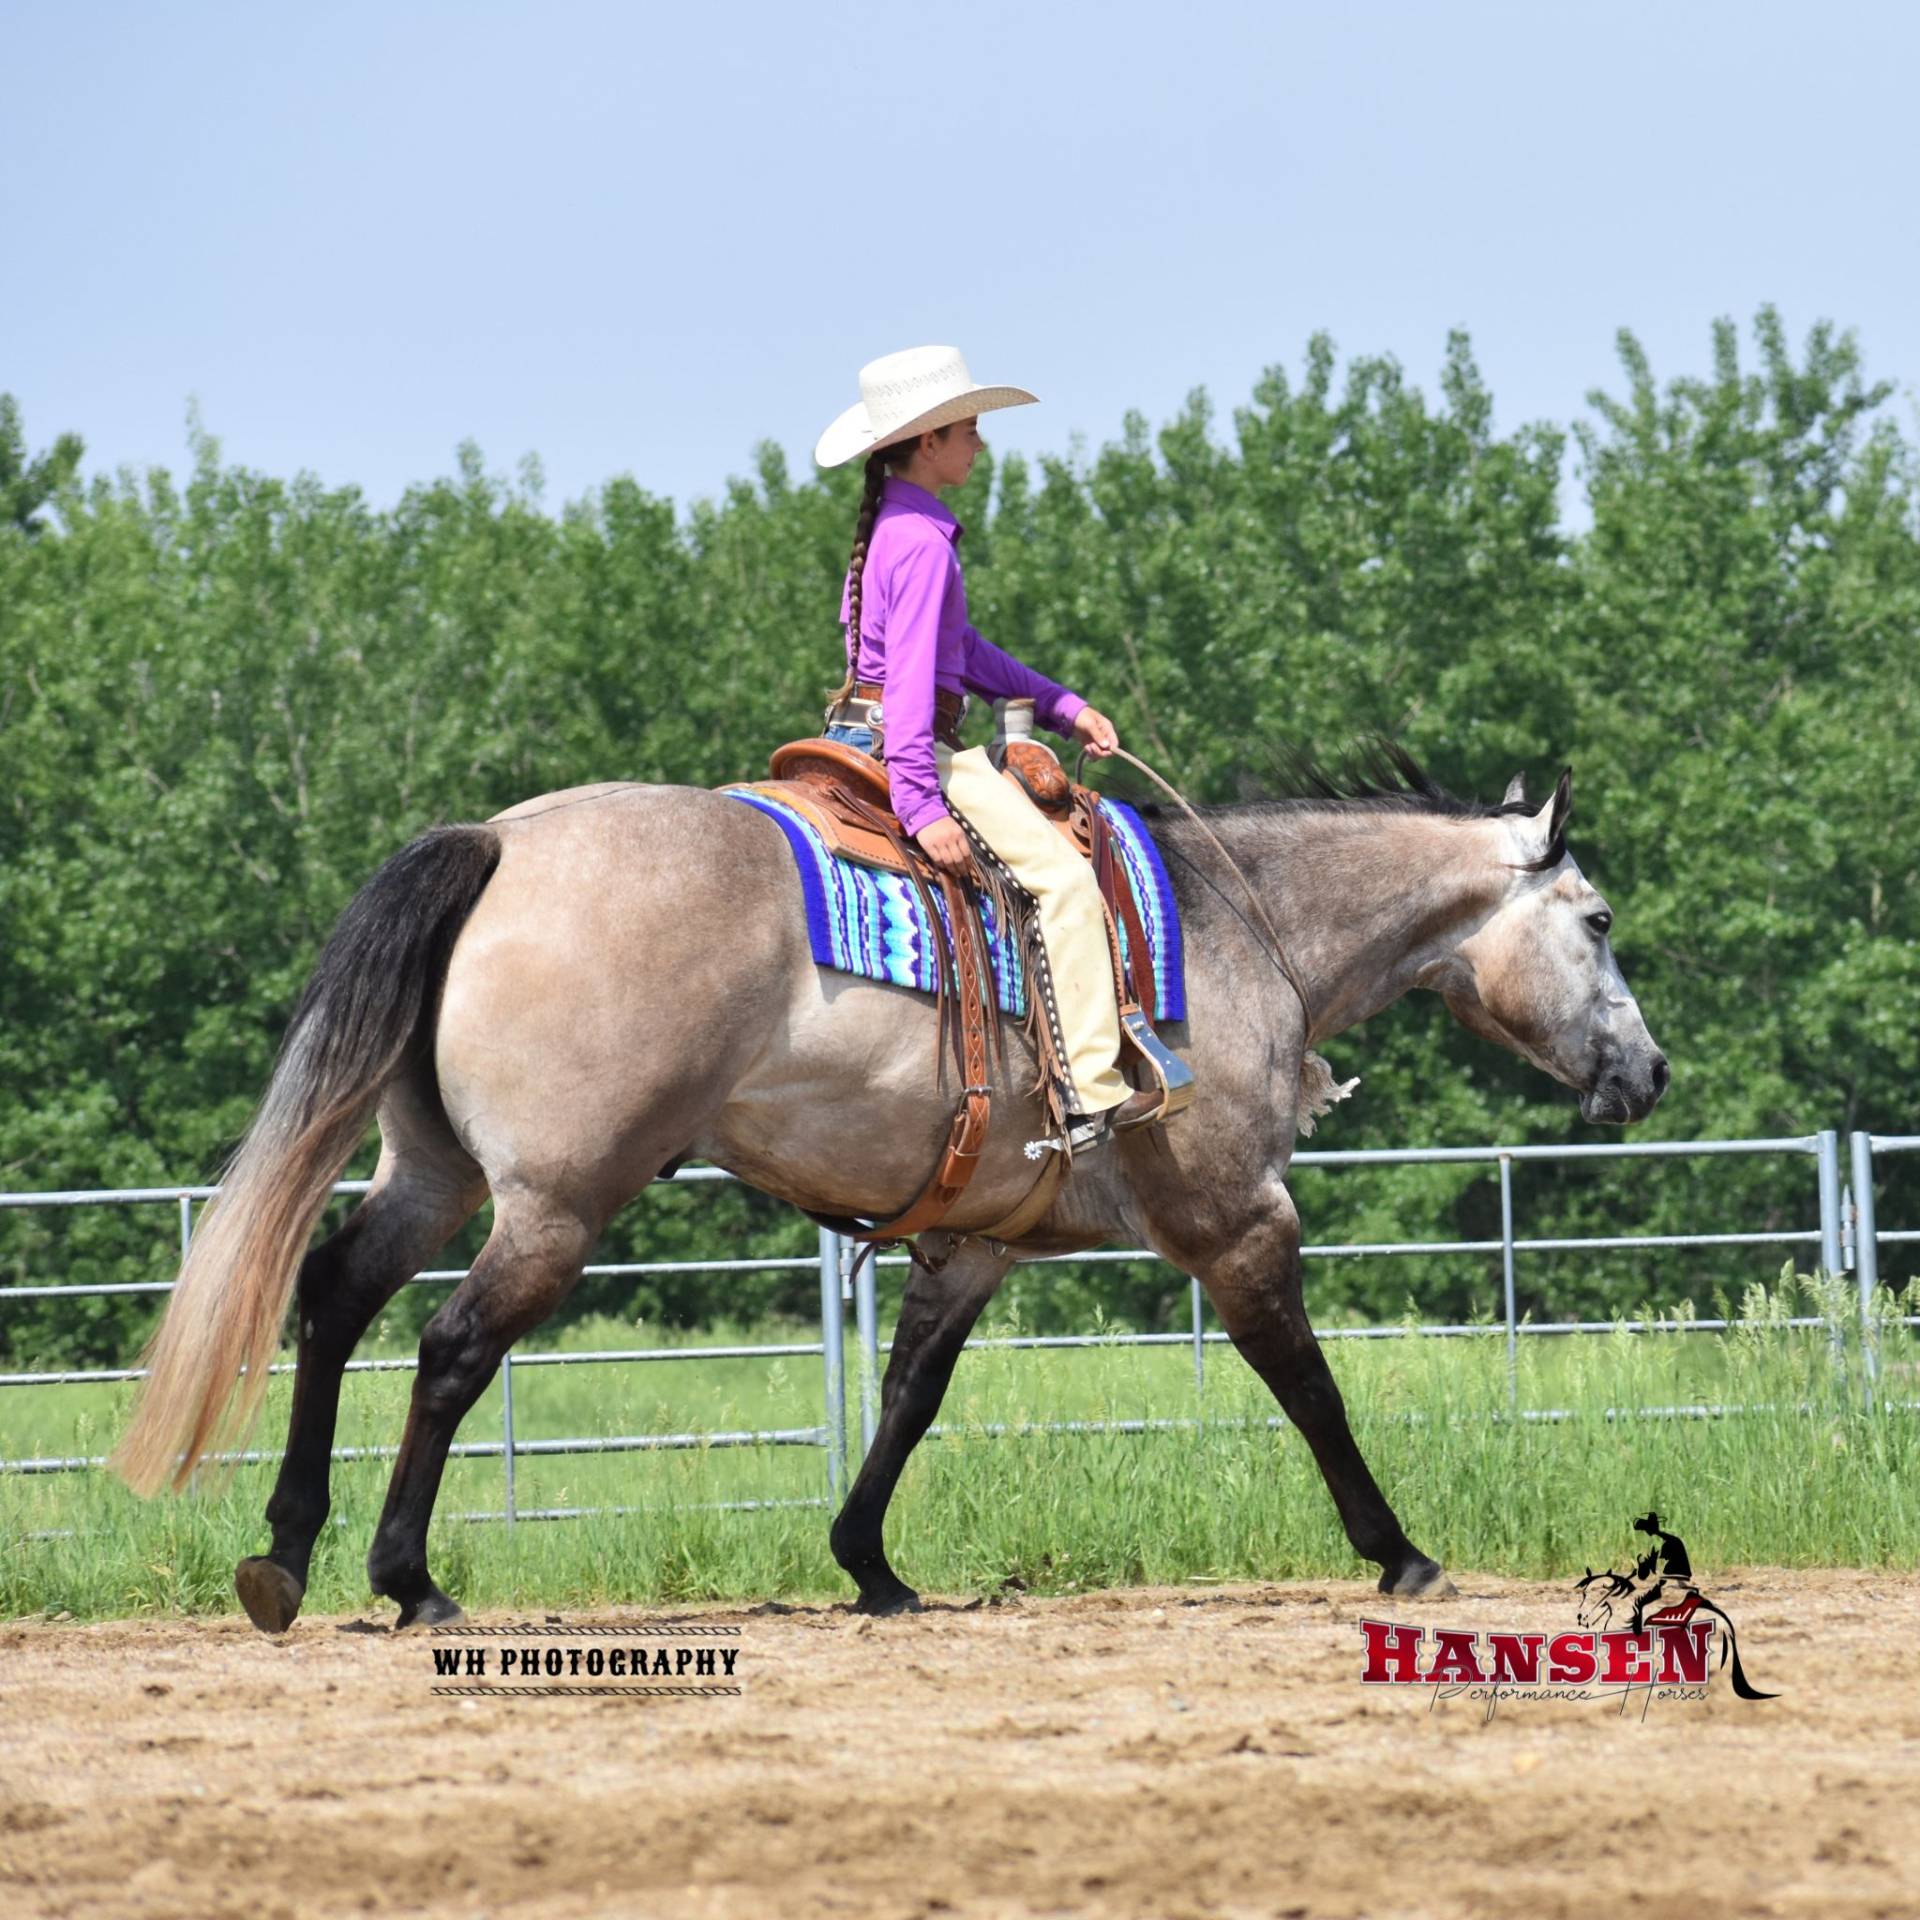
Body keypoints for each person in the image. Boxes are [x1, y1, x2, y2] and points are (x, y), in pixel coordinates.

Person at [813, 345, 1161, 1134]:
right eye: (968, 428)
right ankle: (1091, 1091)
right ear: (928, 440)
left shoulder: (894, 529)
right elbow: (912, 684)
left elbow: (959, 653)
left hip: (855, 732)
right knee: (1067, 887)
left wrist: (1063, 705)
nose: (980, 442)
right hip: (912, 748)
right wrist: (920, 804)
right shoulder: (923, 542)